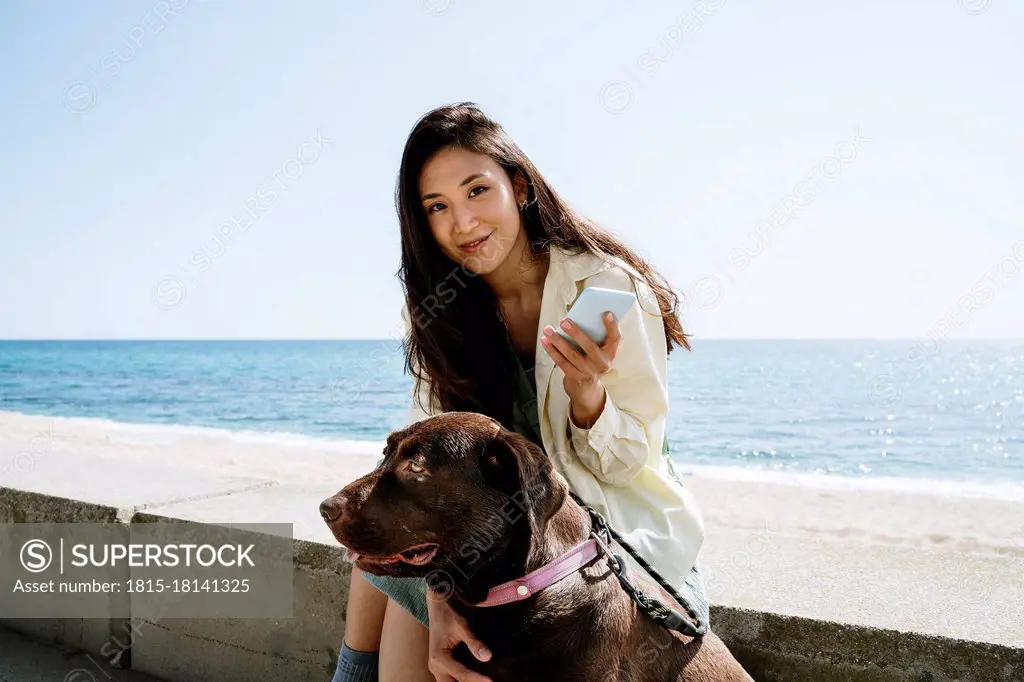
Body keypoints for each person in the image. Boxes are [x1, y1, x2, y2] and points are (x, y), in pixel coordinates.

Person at [332, 102, 707, 682]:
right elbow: (426, 452)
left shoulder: (606, 287)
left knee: (385, 564)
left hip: (603, 541)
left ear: (520, 186)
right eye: (438, 207)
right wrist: (439, 600)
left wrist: (588, 396)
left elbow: (633, 458)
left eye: (477, 191)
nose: (463, 223)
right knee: (378, 550)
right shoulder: (444, 312)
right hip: (495, 540)